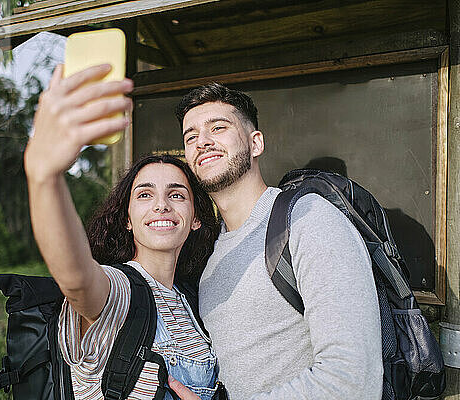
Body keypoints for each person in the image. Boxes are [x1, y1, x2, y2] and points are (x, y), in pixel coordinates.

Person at [168, 83, 383, 399]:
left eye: (218, 127)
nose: (203, 141)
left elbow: (352, 379)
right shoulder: (209, 252)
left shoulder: (307, 219)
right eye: (191, 137)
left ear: (256, 143)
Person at [23, 64, 221, 400]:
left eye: (176, 194)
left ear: (196, 217)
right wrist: (44, 176)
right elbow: (76, 279)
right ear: (127, 218)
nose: (161, 205)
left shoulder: (193, 301)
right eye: (144, 194)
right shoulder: (119, 290)